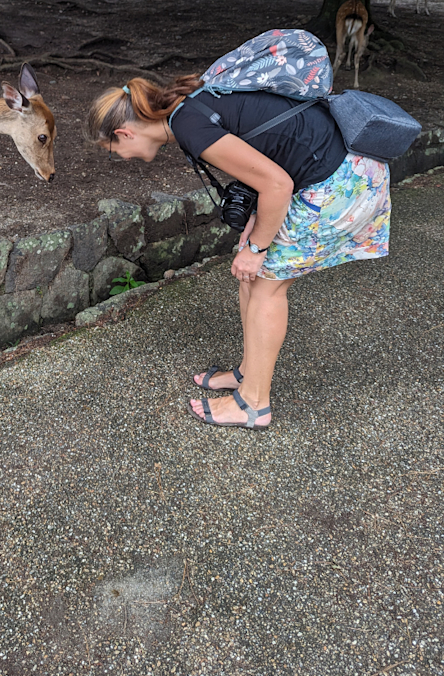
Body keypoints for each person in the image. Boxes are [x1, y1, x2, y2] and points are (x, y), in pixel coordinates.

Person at [86, 74, 391, 430]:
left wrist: (259, 246)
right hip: (329, 171)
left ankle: (254, 405)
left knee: (266, 287)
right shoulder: (186, 112)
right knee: (250, 277)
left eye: (116, 152)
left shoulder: (189, 126)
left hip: (340, 181)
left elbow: (278, 183)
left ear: (124, 134)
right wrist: (257, 227)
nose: (125, 157)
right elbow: (269, 155)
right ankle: (249, 373)